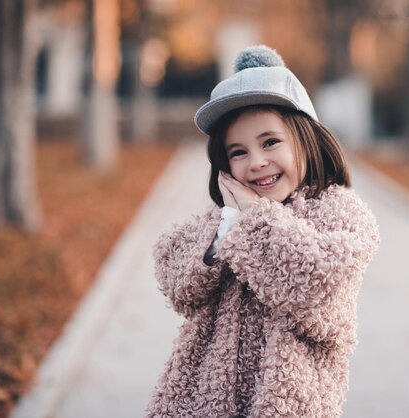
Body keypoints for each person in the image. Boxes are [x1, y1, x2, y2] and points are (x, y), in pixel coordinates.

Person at [145, 45, 380, 418]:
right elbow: (177, 280)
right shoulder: (226, 217)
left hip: (285, 405)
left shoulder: (340, 214)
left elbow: (312, 282)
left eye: (270, 142)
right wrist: (227, 229)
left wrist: (253, 219)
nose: (256, 162)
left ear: (307, 138)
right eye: (238, 152)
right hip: (203, 403)